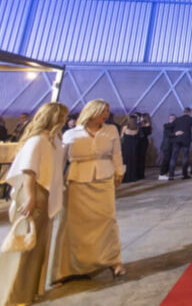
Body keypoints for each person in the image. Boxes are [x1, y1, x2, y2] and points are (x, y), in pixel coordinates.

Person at [0, 102, 67, 306]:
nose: (65, 120)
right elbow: (29, 171)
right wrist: (30, 198)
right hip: (34, 193)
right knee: (26, 243)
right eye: (62, 116)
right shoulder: (37, 141)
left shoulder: (53, 139)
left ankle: (30, 290)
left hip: (45, 193)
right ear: (54, 117)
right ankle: (15, 295)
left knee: (37, 245)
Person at [54, 99, 126, 280]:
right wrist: (55, 182)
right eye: (103, 111)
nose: (106, 115)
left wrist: (119, 172)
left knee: (107, 221)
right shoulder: (71, 134)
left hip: (104, 180)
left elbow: (116, 153)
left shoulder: (111, 131)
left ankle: (113, 260)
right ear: (92, 112)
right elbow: (60, 161)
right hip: (77, 181)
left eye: (107, 111)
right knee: (75, 224)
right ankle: (68, 268)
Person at [170, 107, 192, 180]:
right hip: (186, 141)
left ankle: (171, 175)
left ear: (183, 112)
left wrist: (175, 133)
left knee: (173, 157)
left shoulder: (177, 119)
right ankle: (184, 175)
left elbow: (170, 126)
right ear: (189, 112)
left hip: (177, 140)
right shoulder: (191, 119)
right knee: (185, 157)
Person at [120, 114, 140, 183]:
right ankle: (132, 177)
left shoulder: (125, 127)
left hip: (126, 147)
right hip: (134, 147)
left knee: (125, 162)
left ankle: (126, 177)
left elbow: (121, 136)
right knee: (133, 162)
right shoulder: (137, 128)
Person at [158, 114, 177, 181]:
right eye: (171, 118)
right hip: (167, 145)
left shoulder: (174, 126)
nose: (172, 119)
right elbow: (169, 134)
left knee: (169, 159)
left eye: (174, 118)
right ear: (169, 119)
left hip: (171, 145)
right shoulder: (167, 126)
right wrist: (176, 134)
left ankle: (165, 173)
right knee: (165, 160)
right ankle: (162, 174)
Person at [135, 113, 151, 180]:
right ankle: (137, 173)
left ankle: (141, 174)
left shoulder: (147, 125)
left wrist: (141, 126)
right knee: (137, 158)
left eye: (141, 117)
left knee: (141, 158)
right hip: (138, 142)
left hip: (143, 143)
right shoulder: (139, 124)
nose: (140, 118)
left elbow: (145, 134)